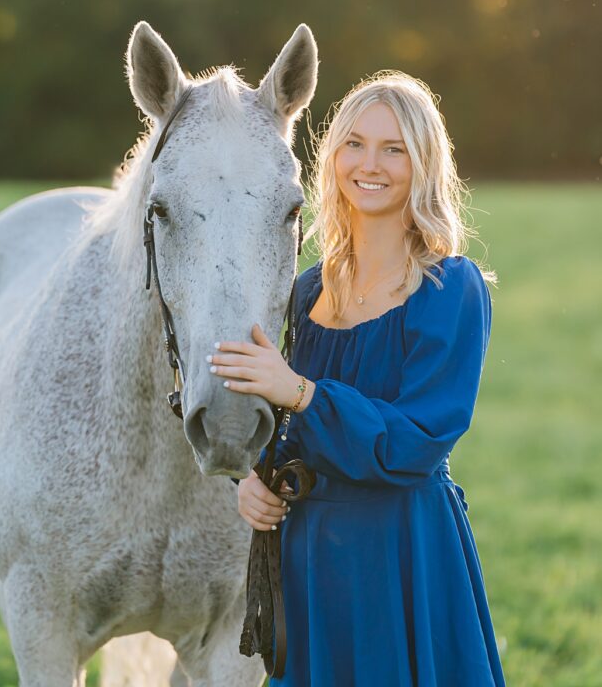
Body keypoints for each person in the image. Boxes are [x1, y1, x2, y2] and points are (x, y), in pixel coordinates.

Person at [208, 70, 506, 686]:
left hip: (401, 552)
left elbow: (417, 444)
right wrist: (255, 478)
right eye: (355, 143)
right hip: (310, 555)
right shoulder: (308, 289)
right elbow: (283, 425)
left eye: (394, 148)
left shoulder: (449, 288)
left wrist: (300, 391)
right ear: (333, 156)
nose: (370, 164)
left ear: (423, 163)